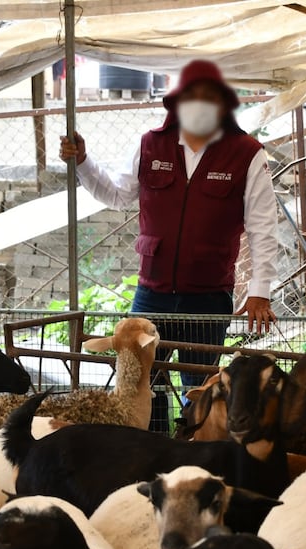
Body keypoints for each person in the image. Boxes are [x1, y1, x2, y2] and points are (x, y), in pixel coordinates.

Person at [60, 59, 279, 433]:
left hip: (208, 297)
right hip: (152, 294)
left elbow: (263, 227)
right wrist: (82, 162)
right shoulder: (151, 144)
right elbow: (115, 194)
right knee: (141, 381)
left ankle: (191, 451)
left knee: (201, 387)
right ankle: (149, 447)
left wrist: (260, 292)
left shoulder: (246, 154)